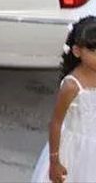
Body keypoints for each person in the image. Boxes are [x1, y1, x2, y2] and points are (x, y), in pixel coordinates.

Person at [31, 16, 96, 183]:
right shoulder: (72, 86)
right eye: (93, 50)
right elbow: (56, 123)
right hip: (75, 151)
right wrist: (54, 162)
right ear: (77, 51)